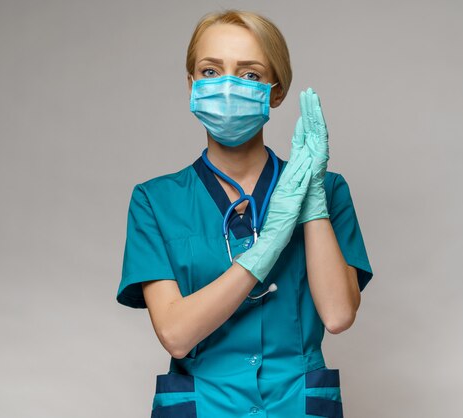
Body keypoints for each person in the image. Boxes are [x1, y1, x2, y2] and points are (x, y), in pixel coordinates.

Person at [116, 9, 373, 418]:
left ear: (276, 91)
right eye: (211, 71)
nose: (228, 86)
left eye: (250, 74)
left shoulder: (327, 189)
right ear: (191, 85)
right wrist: (266, 247)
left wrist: (312, 207)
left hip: (296, 405)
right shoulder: (155, 201)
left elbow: (339, 314)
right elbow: (176, 335)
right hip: (204, 406)